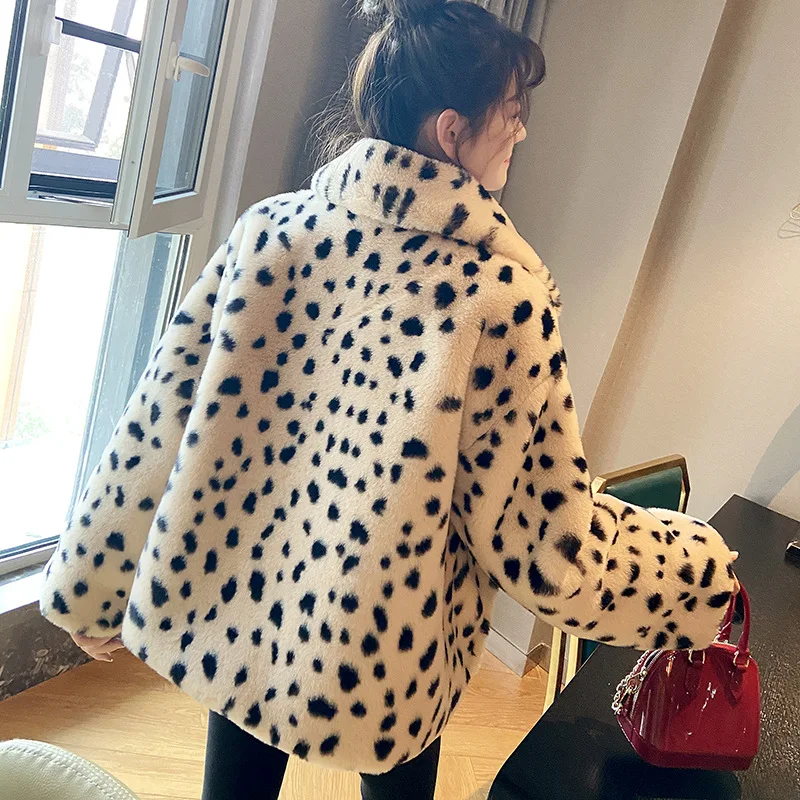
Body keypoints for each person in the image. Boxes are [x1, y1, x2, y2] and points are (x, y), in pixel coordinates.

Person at [40, 1, 740, 798]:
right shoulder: (500, 300)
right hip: (386, 655)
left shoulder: (269, 233)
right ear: (451, 131)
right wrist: (695, 575)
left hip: (238, 620)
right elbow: (547, 545)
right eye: (511, 111)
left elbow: (157, 416)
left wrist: (92, 585)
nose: (521, 130)